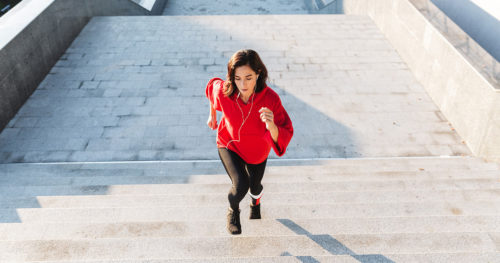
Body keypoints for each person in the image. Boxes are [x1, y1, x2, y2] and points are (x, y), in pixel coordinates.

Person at [205, 49, 294, 235]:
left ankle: (256, 202)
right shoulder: (225, 92)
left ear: (258, 74)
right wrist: (212, 115)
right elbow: (212, 86)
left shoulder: (271, 99)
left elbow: (285, 132)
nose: (243, 84)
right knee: (240, 185)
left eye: (248, 77)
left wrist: (271, 125)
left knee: (255, 186)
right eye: (237, 78)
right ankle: (233, 211)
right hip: (229, 144)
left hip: (257, 151)